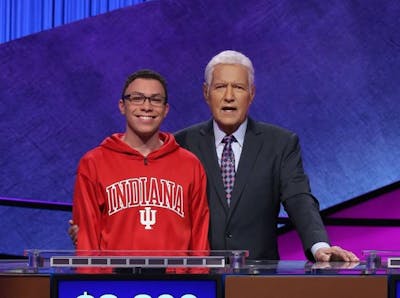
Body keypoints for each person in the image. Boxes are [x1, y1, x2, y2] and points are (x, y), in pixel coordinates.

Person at [71, 52, 358, 262]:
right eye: (221, 87)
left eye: (239, 88)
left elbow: (299, 199)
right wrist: (93, 234)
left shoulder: (281, 143)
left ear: (252, 94)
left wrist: (320, 246)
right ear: (206, 93)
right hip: (198, 280)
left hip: (256, 277)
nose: (229, 96)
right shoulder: (180, 144)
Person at [72, 69, 209, 256]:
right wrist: (94, 284)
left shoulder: (190, 164)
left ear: (166, 109)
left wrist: (197, 284)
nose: (147, 106)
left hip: (176, 284)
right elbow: (87, 244)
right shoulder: (93, 163)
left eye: (155, 99)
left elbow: (200, 240)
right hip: (114, 283)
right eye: (137, 98)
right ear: (122, 106)